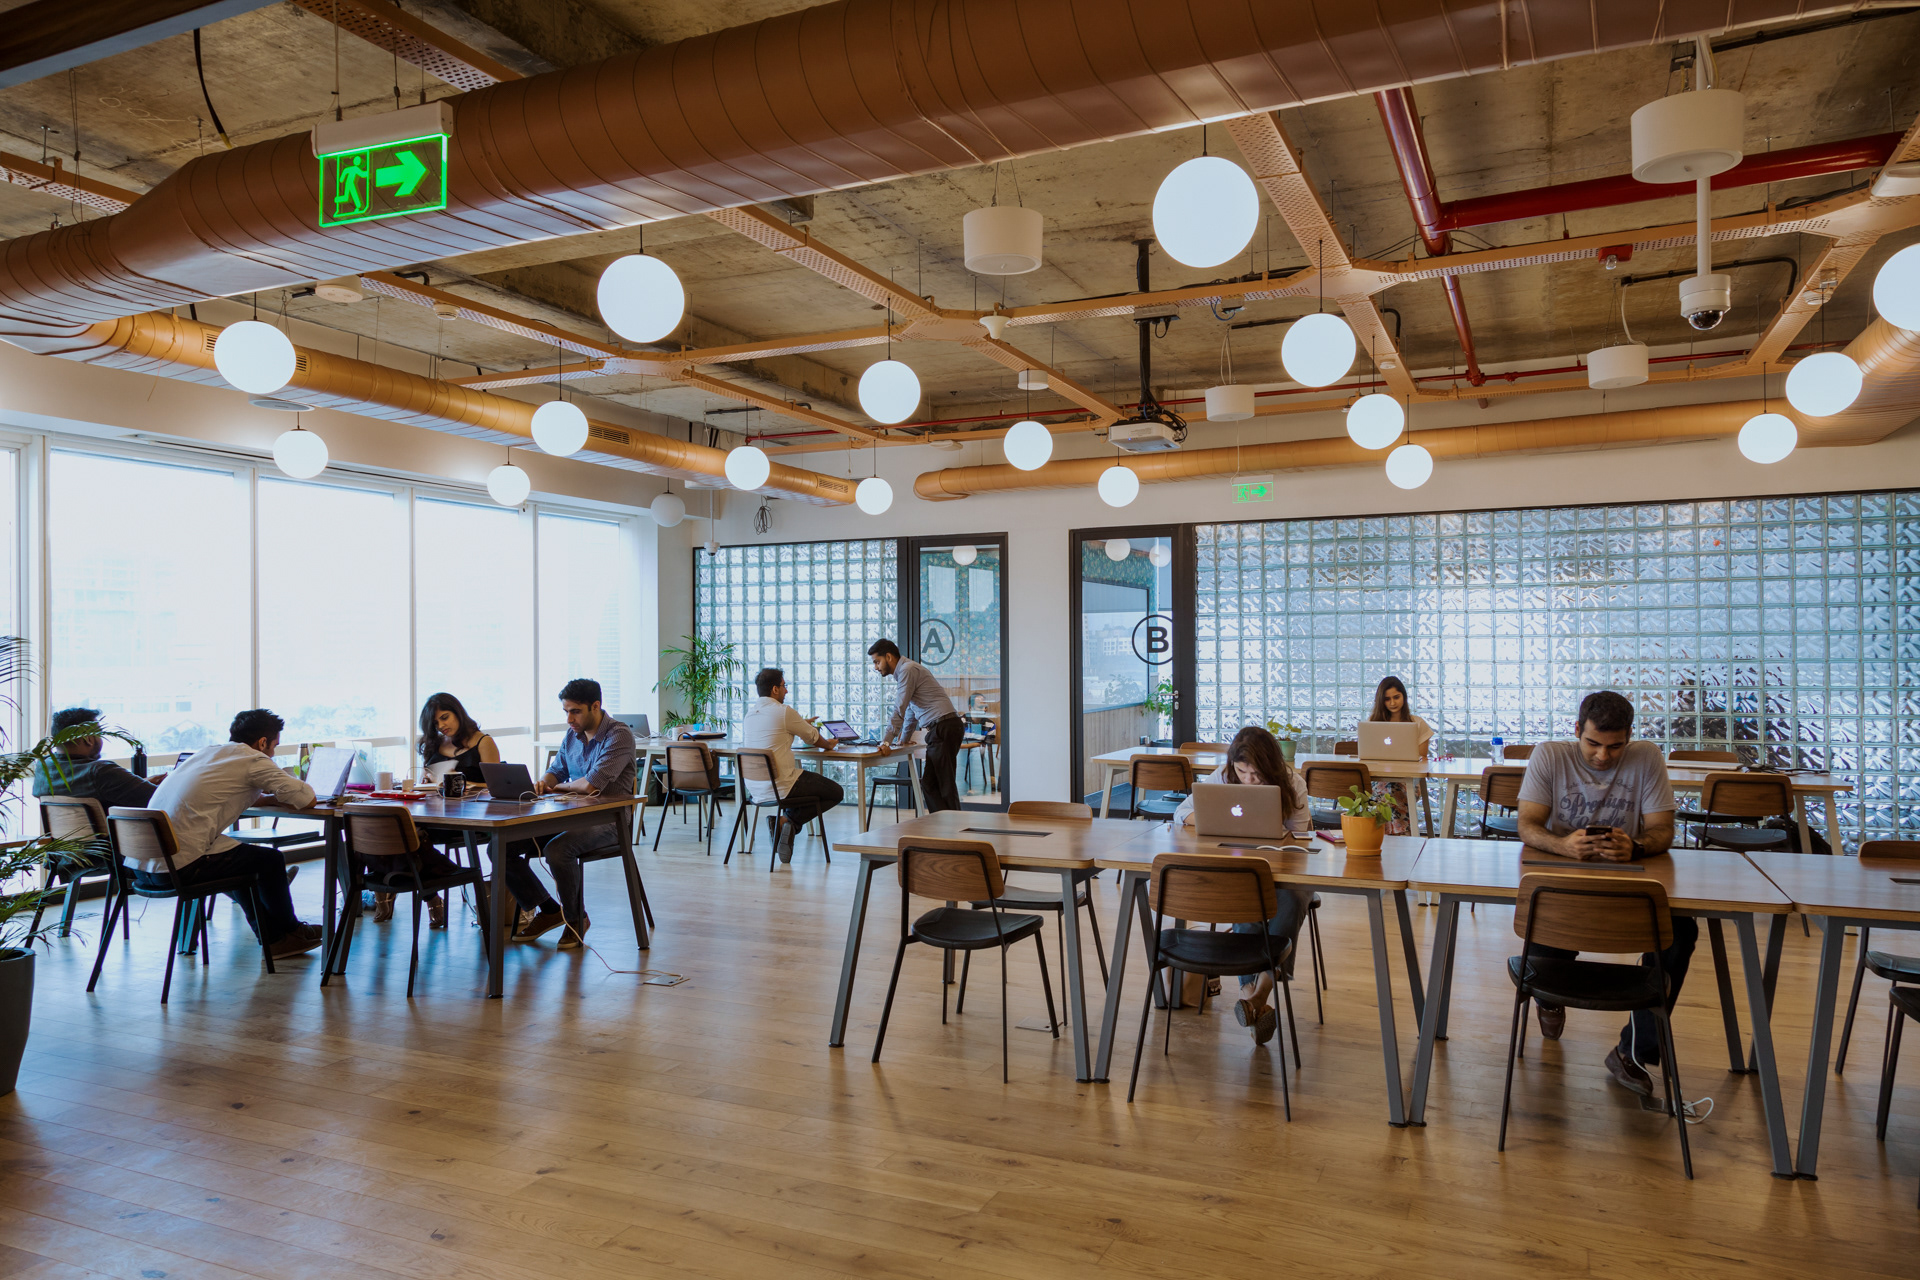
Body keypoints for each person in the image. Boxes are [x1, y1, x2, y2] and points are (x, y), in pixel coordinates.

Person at [1515, 689, 1684, 1099]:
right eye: (1593, 743)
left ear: (1629, 736)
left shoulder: (1647, 757)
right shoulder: (1550, 755)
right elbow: (1528, 825)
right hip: (1562, 882)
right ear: (1577, 729)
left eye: (1615, 746)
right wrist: (1562, 845)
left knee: (1680, 932)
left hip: (1628, 884)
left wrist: (1637, 847)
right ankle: (1549, 998)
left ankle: (1633, 1051)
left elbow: (1663, 830)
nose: (1603, 756)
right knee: (1544, 945)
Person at [137, 709, 323, 959]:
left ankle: (278, 940)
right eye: (274, 746)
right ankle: (291, 931)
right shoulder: (252, 760)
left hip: (144, 869)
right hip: (181, 867)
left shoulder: (207, 754)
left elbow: (233, 791)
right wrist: (284, 793)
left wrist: (269, 799)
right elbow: (306, 798)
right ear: (263, 742)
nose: (273, 753)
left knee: (245, 866)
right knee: (270, 860)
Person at [1171, 725, 1313, 1046]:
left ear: (1271, 767)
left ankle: (1254, 995)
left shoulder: (1293, 783)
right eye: (1242, 771)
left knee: (1290, 899)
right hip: (1241, 871)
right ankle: (1256, 996)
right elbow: (1181, 813)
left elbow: (1300, 839)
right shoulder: (1222, 777)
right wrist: (1213, 819)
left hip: (1287, 873)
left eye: (1257, 774)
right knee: (1246, 894)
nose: (1248, 780)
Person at [506, 678, 636, 950]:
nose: (569, 719)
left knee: (557, 850)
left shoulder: (619, 734)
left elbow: (590, 785)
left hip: (610, 822)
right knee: (504, 846)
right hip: (569, 817)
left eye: (575, 711)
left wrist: (555, 788)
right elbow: (556, 771)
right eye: (566, 711)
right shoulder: (571, 736)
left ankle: (575, 918)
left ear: (595, 706)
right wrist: (543, 783)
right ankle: (550, 910)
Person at [396, 693, 500, 928]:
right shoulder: (435, 744)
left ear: (458, 713)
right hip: (435, 814)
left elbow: (496, 786)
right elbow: (429, 784)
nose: (441, 726)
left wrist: (464, 783)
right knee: (401, 833)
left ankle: (447, 880)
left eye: (445, 717)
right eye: (436, 723)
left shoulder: (483, 742)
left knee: (413, 839)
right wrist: (426, 781)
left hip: (472, 818)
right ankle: (435, 893)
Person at [739, 667, 843, 861]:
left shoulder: (749, 715)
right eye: (784, 686)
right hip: (781, 785)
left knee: (810, 786)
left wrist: (800, 723)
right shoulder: (784, 712)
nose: (786, 690)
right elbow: (813, 737)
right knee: (836, 792)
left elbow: (778, 728)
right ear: (774, 689)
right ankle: (787, 821)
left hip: (755, 789)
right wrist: (829, 744)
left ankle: (785, 822)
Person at [869, 638, 964, 812]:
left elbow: (900, 708)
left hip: (943, 727)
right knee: (930, 784)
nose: (875, 667)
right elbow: (911, 712)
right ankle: (943, 823)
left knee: (944, 785)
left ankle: (954, 825)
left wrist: (887, 741)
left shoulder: (907, 670)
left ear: (888, 657)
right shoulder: (907, 671)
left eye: (877, 661)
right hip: (944, 727)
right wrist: (904, 739)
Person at [33, 706, 158, 811]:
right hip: (112, 834)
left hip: (64, 834)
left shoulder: (43, 767)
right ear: (88, 739)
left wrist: (138, 783)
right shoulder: (101, 772)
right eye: (100, 734)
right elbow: (162, 799)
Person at [1365, 676, 1433, 836]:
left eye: (1396, 697)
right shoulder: (1372, 724)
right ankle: (1401, 835)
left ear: (1404, 696)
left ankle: (1384, 836)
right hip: (1379, 779)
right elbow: (1367, 754)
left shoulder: (1418, 723)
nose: (1392, 703)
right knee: (1388, 791)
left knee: (1392, 792)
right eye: (1387, 699)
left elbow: (1422, 757)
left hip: (1408, 780)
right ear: (1381, 701)